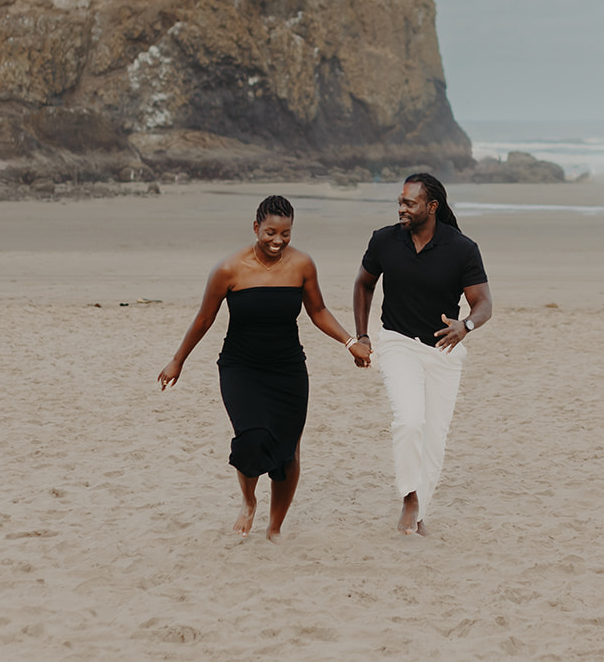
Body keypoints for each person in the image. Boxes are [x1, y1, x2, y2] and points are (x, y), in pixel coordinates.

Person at [158, 195, 371, 541]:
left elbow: (318, 311)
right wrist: (177, 360)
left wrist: (350, 343)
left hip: (288, 369)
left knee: (288, 452)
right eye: (271, 232)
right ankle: (248, 500)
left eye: (285, 234)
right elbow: (204, 318)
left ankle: (275, 527)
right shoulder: (229, 269)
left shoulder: (302, 265)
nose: (278, 241)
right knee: (251, 438)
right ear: (256, 227)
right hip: (240, 367)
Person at [352, 172, 493, 535]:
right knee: (409, 420)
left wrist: (466, 326)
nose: (401, 208)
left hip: (443, 350)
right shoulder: (384, 240)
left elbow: (483, 303)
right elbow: (364, 284)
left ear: (431, 207)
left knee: (434, 437)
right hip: (397, 342)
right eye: (400, 201)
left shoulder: (462, 248)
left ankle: (420, 513)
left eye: (409, 203)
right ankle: (409, 497)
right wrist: (363, 335)